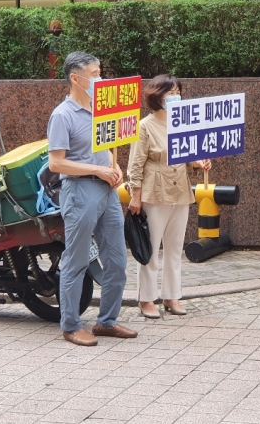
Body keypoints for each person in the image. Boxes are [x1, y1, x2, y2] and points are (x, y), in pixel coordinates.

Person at [47, 51, 137, 347]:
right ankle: (71, 325)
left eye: (101, 72)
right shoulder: (63, 115)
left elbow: (108, 146)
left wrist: (114, 165)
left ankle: (107, 321)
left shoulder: (103, 109)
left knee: (117, 259)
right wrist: (96, 170)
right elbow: (56, 163)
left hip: (107, 191)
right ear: (76, 78)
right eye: (95, 74)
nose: (100, 78)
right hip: (79, 190)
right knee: (77, 260)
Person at [127, 75, 212, 318]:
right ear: (157, 96)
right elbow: (136, 164)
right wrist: (135, 195)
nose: (174, 97)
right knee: (151, 249)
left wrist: (199, 162)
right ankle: (146, 299)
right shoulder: (145, 126)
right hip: (154, 191)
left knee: (175, 248)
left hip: (180, 191)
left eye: (177, 91)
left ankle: (172, 296)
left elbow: (188, 156)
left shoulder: (184, 123)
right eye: (169, 92)